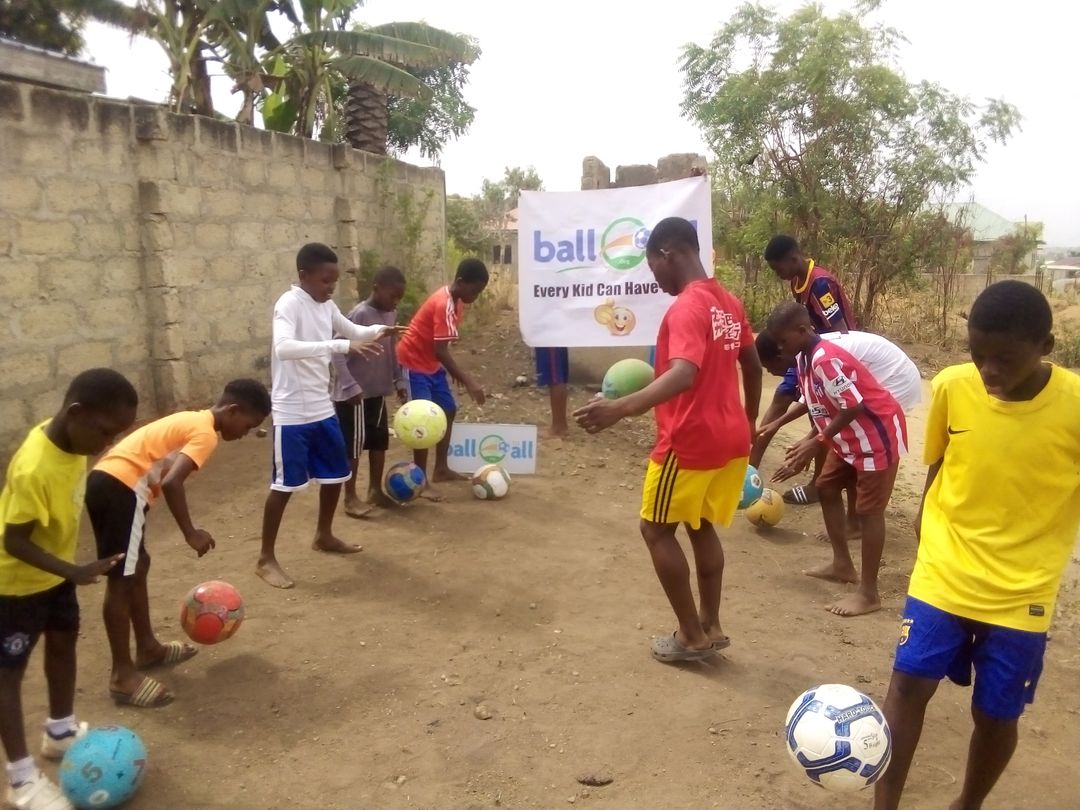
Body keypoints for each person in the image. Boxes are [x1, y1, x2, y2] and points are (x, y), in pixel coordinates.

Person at [874, 281, 1080, 810]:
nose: (988, 370)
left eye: (1004, 359)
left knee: (995, 713)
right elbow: (942, 458)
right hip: (944, 568)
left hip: (1023, 589)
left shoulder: (1075, 407)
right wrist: (925, 519)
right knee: (908, 686)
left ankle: (967, 803)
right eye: (977, 354)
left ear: (1045, 347)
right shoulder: (952, 386)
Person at [574, 217, 762, 663]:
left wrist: (620, 408)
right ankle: (711, 626)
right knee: (699, 523)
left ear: (667, 254)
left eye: (651, 266)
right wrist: (749, 420)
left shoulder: (687, 307)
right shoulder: (728, 303)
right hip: (730, 438)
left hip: (690, 442)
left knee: (655, 530)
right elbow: (753, 364)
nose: (654, 276)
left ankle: (691, 636)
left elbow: (683, 374)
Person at [85, 379, 270, 708]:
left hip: (113, 483)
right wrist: (190, 532)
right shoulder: (205, 433)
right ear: (233, 410)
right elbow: (172, 483)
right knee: (121, 581)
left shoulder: (193, 419)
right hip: (121, 487)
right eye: (248, 425)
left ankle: (147, 648)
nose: (246, 433)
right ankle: (122, 677)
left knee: (138, 566)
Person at [1, 369, 138, 810]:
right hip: (14, 584)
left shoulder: (74, 439)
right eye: (104, 432)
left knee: (62, 645)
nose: (106, 445)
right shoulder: (34, 466)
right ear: (76, 413)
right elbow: (13, 541)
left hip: (55, 576)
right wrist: (73, 570)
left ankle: (60, 731)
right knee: (7, 675)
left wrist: (66, 573)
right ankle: (21, 780)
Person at [257, 243, 400, 590]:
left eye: (334, 281)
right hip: (292, 412)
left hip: (321, 407)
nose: (331, 287)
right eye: (325, 280)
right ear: (303, 275)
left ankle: (324, 534)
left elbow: (353, 331)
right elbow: (284, 348)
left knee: (337, 474)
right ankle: (265, 558)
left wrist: (379, 331)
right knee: (285, 485)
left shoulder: (327, 306)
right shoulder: (288, 304)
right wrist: (339, 345)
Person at [767, 302, 906, 617]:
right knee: (827, 487)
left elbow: (853, 405)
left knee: (869, 512)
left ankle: (869, 594)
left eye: (783, 341)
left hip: (875, 434)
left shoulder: (825, 359)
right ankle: (842, 564)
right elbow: (813, 401)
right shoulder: (804, 358)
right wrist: (776, 424)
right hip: (848, 436)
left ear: (803, 331)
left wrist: (816, 442)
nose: (780, 348)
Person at [761, 234, 858, 507]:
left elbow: (840, 330)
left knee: (821, 416)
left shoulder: (820, 284)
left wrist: (825, 370)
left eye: (778, 267)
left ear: (793, 258)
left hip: (828, 357)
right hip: (808, 352)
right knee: (782, 397)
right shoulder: (797, 280)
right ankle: (749, 468)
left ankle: (818, 484)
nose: (778, 274)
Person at [395, 258, 489, 498]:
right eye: (474, 291)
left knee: (448, 409)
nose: (475, 297)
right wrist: (468, 381)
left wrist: (454, 373)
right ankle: (421, 479)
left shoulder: (457, 303)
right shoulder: (443, 303)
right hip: (413, 362)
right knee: (422, 418)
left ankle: (441, 469)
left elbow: (441, 347)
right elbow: (440, 350)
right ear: (460, 282)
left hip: (431, 364)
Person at [331, 266, 408, 514]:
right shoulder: (360, 314)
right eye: (392, 296)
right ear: (376, 288)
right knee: (354, 447)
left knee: (378, 442)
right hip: (354, 396)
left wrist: (399, 380)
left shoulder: (391, 314)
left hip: (377, 392)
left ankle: (375, 490)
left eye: (399, 298)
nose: (395, 302)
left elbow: (391, 349)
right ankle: (350, 497)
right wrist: (349, 384)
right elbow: (336, 349)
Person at [534, 347, 569, 438]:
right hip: (553, 340)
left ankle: (558, 427)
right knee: (556, 376)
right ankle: (560, 424)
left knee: (555, 377)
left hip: (550, 341)